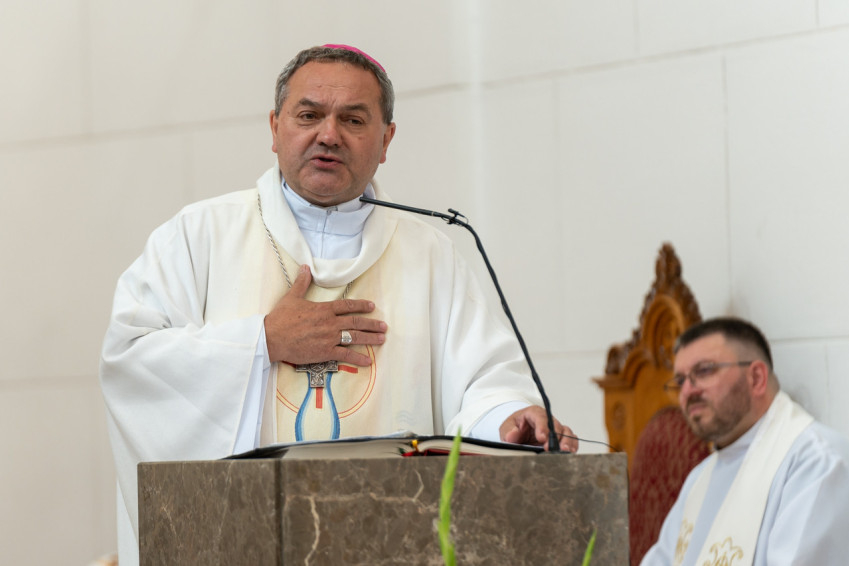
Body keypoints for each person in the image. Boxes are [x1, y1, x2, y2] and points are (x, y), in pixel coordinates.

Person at [100, 44, 577, 565]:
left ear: (386, 139)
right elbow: (130, 361)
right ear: (275, 127)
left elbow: (483, 383)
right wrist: (262, 341)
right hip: (244, 541)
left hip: (393, 539)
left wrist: (511, 418)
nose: (329, 135)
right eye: (309, 115)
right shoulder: (199, 236)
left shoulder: (429, 255)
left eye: (353, 119)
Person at [640, 317, 849, 565]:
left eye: (704, 371)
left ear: (756, 378)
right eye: (680, 381)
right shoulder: (699, 479)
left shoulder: (815, 464)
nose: (687, 391)